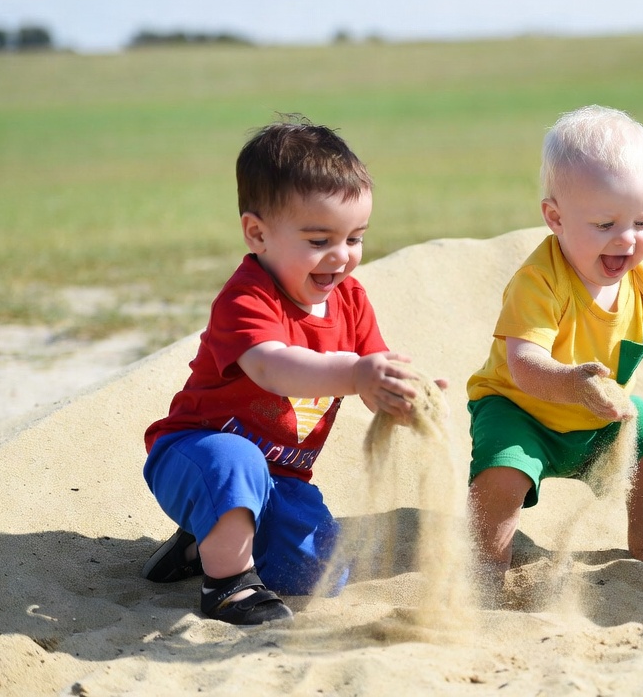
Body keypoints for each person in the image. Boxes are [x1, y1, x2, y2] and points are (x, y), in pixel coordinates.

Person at [142, 118, 437, 625]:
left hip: (281, 475)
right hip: (196, 452)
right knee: (237, 462)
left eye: (355, 238)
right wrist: (355, 374)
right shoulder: (246, 298)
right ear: (258, 233)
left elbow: (372, 376)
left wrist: (402, 396)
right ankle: (227, 586)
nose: (342, 257)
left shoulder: (351, 301)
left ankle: (198, 544)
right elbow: (272, 367)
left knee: (318, 573)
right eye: (320, 239)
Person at [467, 105, 643, 585]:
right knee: (502, 472)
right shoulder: (538, 281)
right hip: (520, 409)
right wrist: (570, 383)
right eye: (604, 225)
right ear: (555, 218)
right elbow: (524, 363)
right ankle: (486, 565)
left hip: (603, 411)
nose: (626, 240)